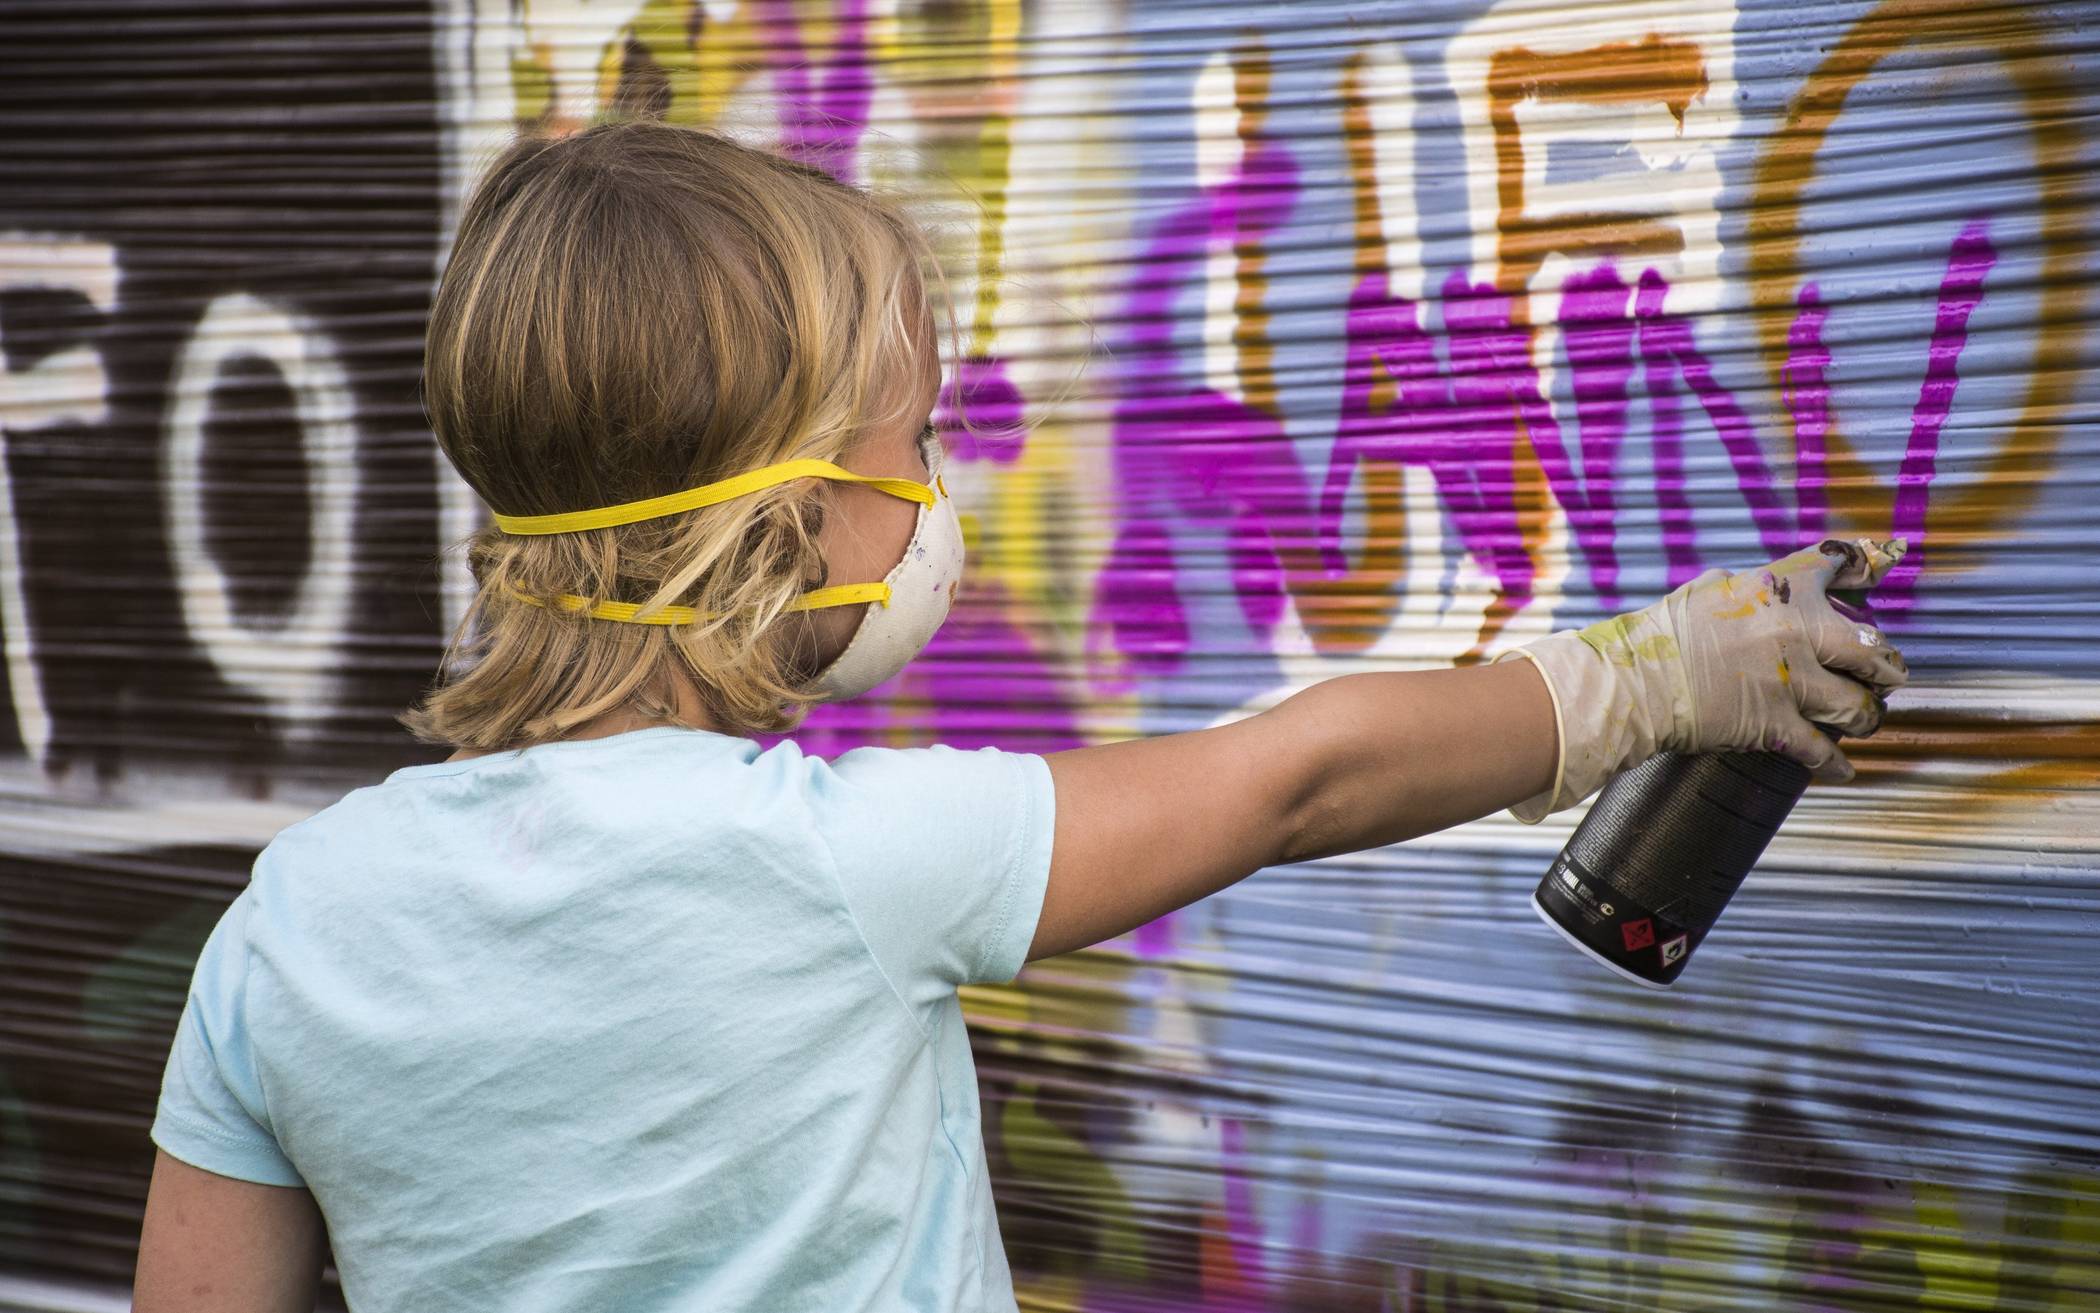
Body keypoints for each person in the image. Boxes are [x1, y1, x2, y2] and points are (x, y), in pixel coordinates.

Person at [132, 118, 1908, 1311]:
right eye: (913, 443)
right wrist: (1660, 676)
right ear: (784, 509)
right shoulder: (845, 862)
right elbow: (1295, 780)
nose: (942, 489)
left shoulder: (284, 929)